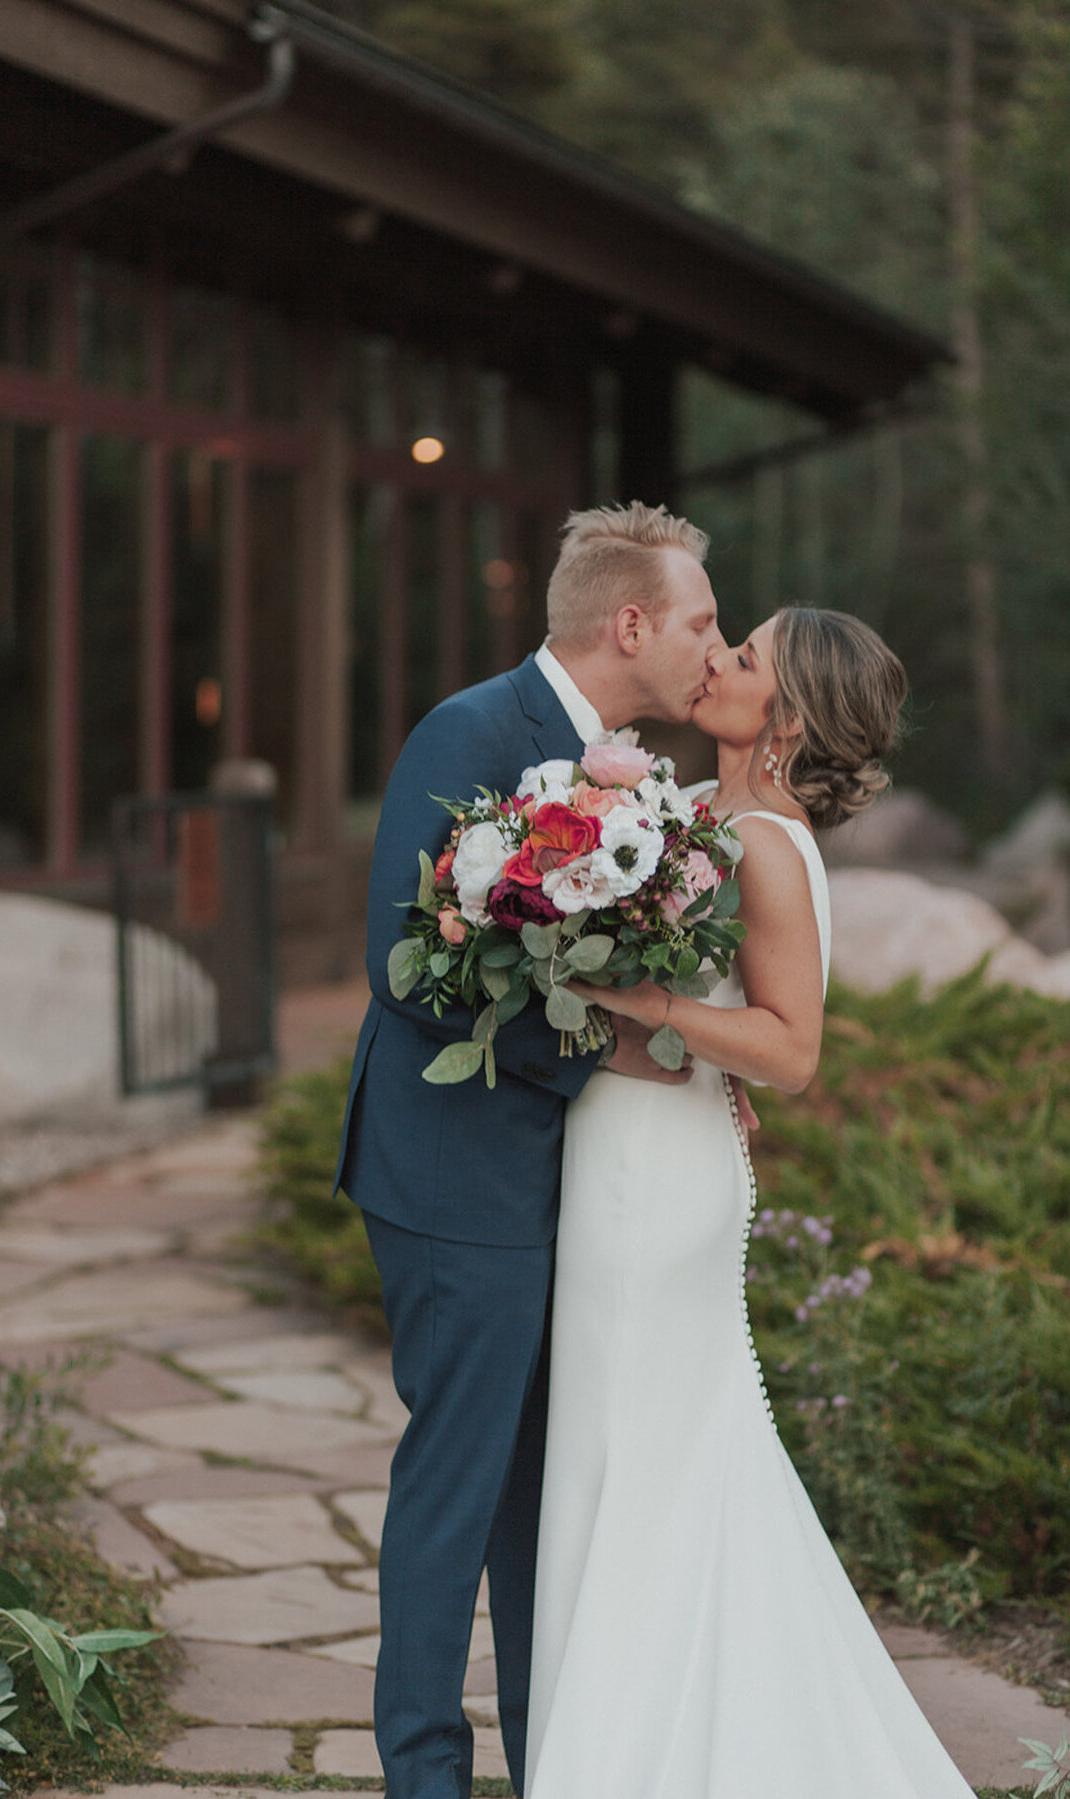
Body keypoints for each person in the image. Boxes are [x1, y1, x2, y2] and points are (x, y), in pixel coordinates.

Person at [525, 606, 978, 1799]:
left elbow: (793, 1046)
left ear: (782, 716)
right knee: (633, 1459)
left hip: (657, 1190)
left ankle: (622, 1761)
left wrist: (656, 1009)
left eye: (745, 656)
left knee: (643, 1459)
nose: (717, 659)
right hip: (630, 1150)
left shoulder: (767, 844)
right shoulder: (701, 817)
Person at [334, 501, 726, 1799]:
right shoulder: (473, 731)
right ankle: (424, 1773)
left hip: (561, 1183)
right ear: (630, 622)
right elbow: (409, 973)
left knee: (536, 1492)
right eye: (699, 621)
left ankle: (550, 1748)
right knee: (460, 1478)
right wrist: (615, 1053)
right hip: (455, 1178)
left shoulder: (617, 765)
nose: (710, 648)